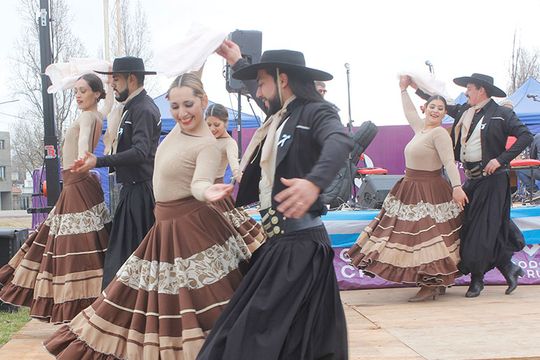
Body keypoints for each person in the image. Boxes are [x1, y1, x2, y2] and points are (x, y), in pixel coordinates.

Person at [44, 73, 254, 359]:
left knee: (197, 306)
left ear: (203, 101)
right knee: (152, 298)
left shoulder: (206, 143)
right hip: (164, 226)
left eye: (189, 104)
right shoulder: (179, 131)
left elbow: (199, 182)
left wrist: (207, 191)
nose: (182, 113)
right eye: (175, 106)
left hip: (189, 229)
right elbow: (189, 77)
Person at [197, 40, 351, 360]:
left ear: (282, 79)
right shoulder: (279, 114)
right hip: (280, 245)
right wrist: (238, 61)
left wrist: (313, 183)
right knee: (285, 340)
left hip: (299, 247)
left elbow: (339, 141)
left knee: (248, 337)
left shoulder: (315, 111)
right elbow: (261, 93)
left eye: (264, 81)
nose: (260, 91)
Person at [0, 73, 112, 323]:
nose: (78, 95)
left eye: (83, 90)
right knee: (74, 243)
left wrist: (83, 156)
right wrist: (110, 86)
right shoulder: (97, 114)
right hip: (79, 182)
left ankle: (77, 306)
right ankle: (85, 304)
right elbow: (108, 108)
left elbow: (84, 139)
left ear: (96, 92)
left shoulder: (87, 116)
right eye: (76, 92)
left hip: (77, 182)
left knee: (71, 247)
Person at [347, 76, 467, 302]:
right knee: (411, 236)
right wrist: (403, 90)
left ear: (444, 113)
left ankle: (431, 284)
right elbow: (409, 112)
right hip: (410, 187)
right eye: (432, 106)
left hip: (430, 189)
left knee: (428, 236)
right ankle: (434, 281)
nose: (435, 111)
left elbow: (449, 162)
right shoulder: (421, 129)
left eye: (440, 108)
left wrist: (457, 187)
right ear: (426, 108)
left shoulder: (439, 133)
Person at [414, 73, 533, 297]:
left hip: (493, 180)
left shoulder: (501, 114)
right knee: (473, 225)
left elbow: (525, 136)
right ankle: (509, 268)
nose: (466, 92)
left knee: (479, 231)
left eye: (469, 88)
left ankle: (477, 279)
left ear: (481, 90)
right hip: (472, 179)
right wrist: (415, 88)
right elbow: (441, 104)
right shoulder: (464, 112)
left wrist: (500, 159)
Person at [73, 56, 161, 289]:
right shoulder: (133, 107)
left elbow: (140, 152)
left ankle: (122, 315)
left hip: (141, 194)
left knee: (129, 260)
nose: (112, 84)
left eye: (116, 79)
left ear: (131, 79)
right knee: (123, 260)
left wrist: (98, 161)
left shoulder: (143, 109)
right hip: (132, 192)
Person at [205, 103, 266, 250]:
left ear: (225, 122)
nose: (212, 129)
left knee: (222, 237)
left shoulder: (229, 143)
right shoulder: (204, 139)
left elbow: (235, 168)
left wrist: (247, 182)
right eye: (209, 124)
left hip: (216, 195)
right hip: (198, 191)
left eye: (216, 124)